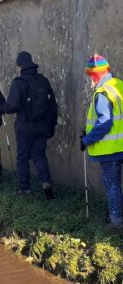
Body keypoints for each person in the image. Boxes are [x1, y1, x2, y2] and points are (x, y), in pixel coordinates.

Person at [3, 51, 57, 200]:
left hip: (24, 128)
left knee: (22, 158)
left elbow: (12, 106)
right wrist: (52, 126)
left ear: (20, 65)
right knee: (39, 156)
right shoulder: (43, 81)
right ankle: (46, 183)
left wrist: (4, 107)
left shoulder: (18, 83)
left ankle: (25, 188)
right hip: (42, 128)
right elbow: (52, 105)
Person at [81, 55, 123, 231]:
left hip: (110, 149)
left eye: (90, 75)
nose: (90, 78)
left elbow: (105, 122)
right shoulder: (119, 85)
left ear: (95, 75)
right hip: (120, 145)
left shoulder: (103, 93)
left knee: (112, 185)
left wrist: (86, 140)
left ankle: (116, 222)